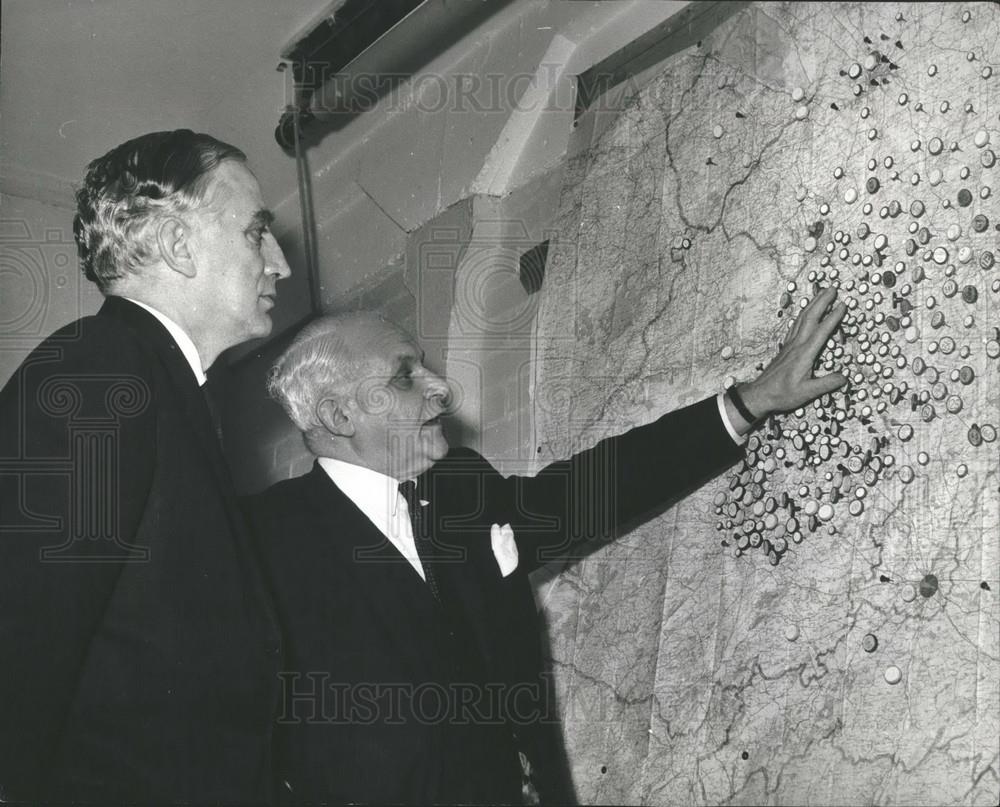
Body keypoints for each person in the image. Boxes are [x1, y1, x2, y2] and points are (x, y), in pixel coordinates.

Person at [245, 289, 846, 805]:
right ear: (340, 413)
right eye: (407, 374)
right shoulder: (263, 545)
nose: (443, 390)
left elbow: (593, 488)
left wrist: (750, 402)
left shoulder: (461, 489)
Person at [0, 129, 292, 802]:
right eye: (255, 233)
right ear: (178, 245)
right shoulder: (101, 369)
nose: (277, 261)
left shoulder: (163, 390)